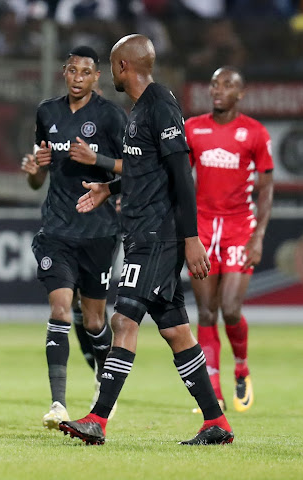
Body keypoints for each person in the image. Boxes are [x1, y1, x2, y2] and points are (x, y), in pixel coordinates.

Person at [61, 34, 233, 446]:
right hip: (142, 231)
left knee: (124, 321)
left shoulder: (159, 105)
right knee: (176, 332)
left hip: (157, 236)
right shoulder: (140, 110)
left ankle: (97, 420)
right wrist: (111, 188)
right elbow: (148, 171)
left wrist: (191, 239)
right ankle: (216, 423)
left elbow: (181, 175)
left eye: (111, 65)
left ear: (123, 67)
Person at [20, 45, 127, 430]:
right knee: (61, 310)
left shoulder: (112, 117)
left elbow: (135, 167)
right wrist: (34, 168)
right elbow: (36, 178)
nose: (78, 77)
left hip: (99, 231)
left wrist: (95, 161)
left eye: (86, 72)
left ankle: (103, 379)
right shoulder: (47, 112)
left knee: (95, 319)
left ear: (96, 77)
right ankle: (58, 405)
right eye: (72, 70)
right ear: (64, 73)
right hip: (56, 230)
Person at [184, 66, 274, 414]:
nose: (217, 90)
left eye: (226, 85)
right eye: (214, 84)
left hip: (239, 227)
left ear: (241, 93)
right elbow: (181, 178)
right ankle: (215, 393)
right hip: (203, 228)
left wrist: (258, 237)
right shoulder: (194, 128)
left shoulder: (254, 133)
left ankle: (241, 367)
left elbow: (266, 191)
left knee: (231, 308)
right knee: (206, 312)